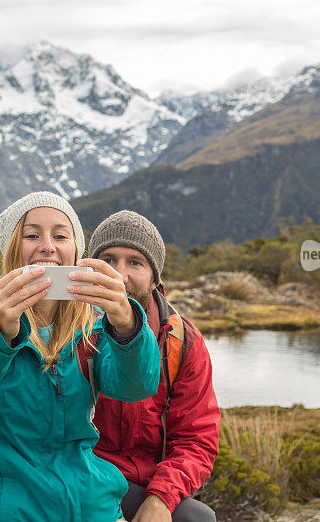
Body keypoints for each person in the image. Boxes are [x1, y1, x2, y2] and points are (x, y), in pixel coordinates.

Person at [0, 192, 161, 522]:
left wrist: (128, 324)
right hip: (4, 512)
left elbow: (136, 386)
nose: (47, 246)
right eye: (32, 235)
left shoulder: (95, 328)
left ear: (76, 251)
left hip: (92, 508)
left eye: (61, 235)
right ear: (11, 251)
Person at [88, 210, 221, 522]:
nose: (119, 275)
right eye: (107, 260)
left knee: (196, 518)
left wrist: (161, 497)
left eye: (135, 262)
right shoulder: (69, 330)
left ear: (154, 276)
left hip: (146, 484)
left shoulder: (182, 340)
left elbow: (196, 439)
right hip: (80, 477)